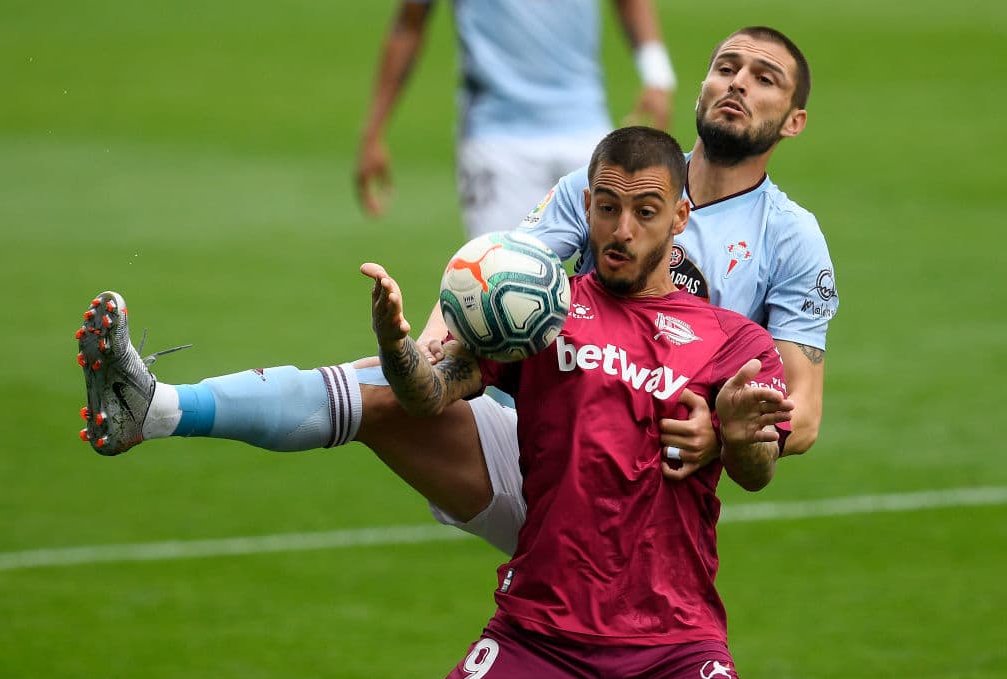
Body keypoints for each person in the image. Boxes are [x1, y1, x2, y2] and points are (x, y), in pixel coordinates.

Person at [76, 26, 837, 558]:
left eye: (764, 79)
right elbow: (496, 272)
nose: (738, 82)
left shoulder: (790, 238)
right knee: (375, 392)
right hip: (544, 441)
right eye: (727, 65)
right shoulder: (599, 184)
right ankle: (157, 408)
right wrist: (431, 345)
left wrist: (725, 430)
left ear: (793, 121)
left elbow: (797, 418)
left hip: (644, 499)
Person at [364, 127, 793, 679]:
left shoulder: (734, 341)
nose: (622, 230)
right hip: (538, 632)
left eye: (645, 212)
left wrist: (737, 436)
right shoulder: (537, 310)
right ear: (587, 205)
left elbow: (758, 474)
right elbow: (428, 396)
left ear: (680, 218)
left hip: (676, 641)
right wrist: (396, 344)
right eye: (609, 208)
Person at [355, 0, 677, 239]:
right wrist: (373, 132)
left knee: (622, 287)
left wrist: (657, 73)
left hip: (586, 130)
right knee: (495, 293)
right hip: (498, 141)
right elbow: (409, 23)